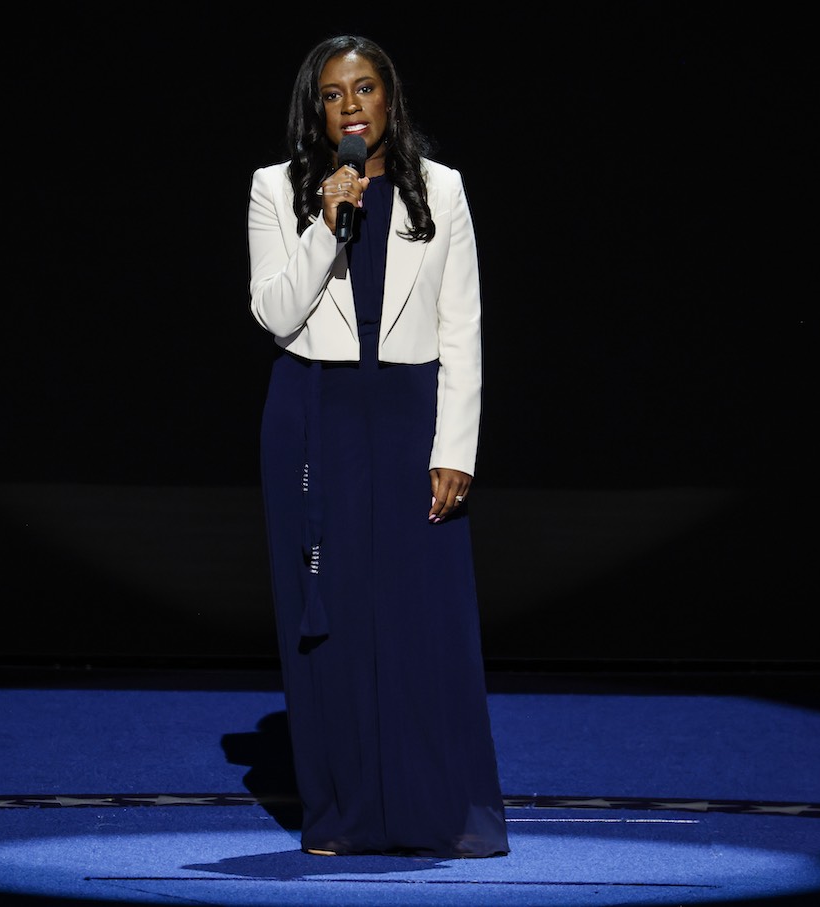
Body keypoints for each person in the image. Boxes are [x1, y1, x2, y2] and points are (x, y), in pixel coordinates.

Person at [247, 34, 509, 859]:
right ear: (315, 109)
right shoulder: (274, 190)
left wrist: (456, 447)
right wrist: (327, 222)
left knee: (418, 618)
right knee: (328, 621)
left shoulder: (445, 190)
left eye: (364, 88)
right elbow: (274, 314)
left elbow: (462, 327)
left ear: (390, 98)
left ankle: (432, 813)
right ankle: (339, 814)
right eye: (332, 93)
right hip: (312, 413)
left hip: (409, 419)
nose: (350, 104)